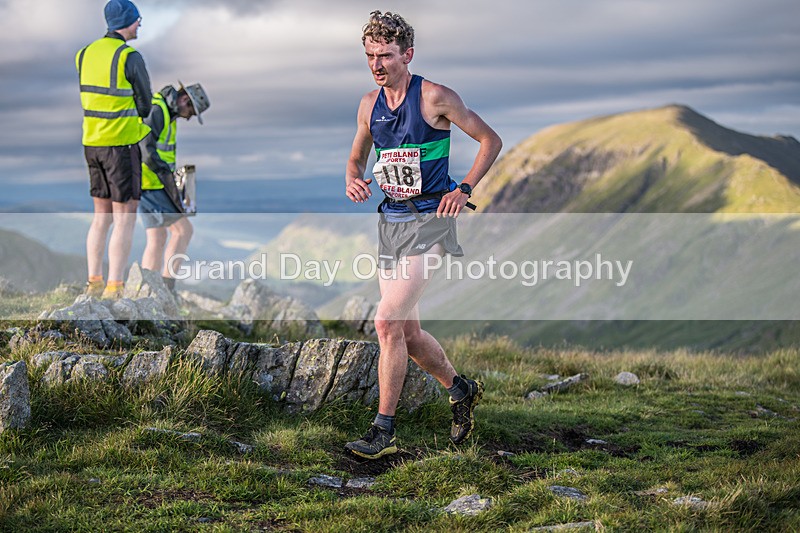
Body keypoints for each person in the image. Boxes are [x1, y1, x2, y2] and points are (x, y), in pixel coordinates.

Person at [344, 11, 502, 459]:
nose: (377, 65)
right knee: (407, 334)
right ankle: (460, 389)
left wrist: (464, 187)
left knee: (386, 322)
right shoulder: (367, 106)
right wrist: (353, 179)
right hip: (390, 223)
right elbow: (355, 160)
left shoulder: (435, 97)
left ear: (407, 55)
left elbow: (490, 140)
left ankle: (383, 431)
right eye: (371, 56)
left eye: (387, 56)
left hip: (432, 220)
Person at [77, 0, 152, 299]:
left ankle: (94, 281)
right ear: (128, 21)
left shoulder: (83, 54)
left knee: (100, 217)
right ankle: (114, 288)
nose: (140, 25)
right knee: (124, 217)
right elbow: (145, 105)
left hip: (91, 144)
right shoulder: (129, 56)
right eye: (138, 20)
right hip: (120, 146)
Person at [139, 82, 210, 291]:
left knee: (158, 236)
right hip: (151, 182)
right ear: (185, 100)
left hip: (147, 182)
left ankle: (147, 289)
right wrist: (166, 177)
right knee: (183, 231)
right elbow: (146, 148)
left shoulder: (168, 114)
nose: (188, 117)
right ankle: (167, 288)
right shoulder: (158, 110)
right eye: (191, 111)